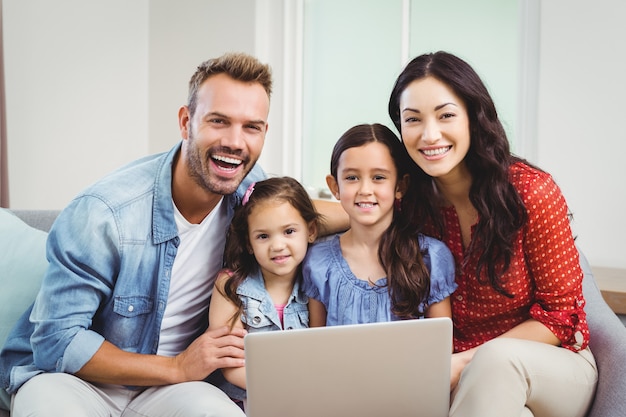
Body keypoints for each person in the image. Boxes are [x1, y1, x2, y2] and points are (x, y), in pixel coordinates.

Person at [0, 52, 337, 417]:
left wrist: (391, 208)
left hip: (175, 390)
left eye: (250, 127)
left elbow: (311, 215)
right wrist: (178, 367)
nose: (235, 142)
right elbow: (57, 342)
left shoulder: (250, 194)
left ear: (264, 133)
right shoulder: (104, 213)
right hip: (71, 381)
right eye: (219, 121)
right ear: (186, 121)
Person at [387, 51, 598, 417]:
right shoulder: (411, 203)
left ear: (473, 116)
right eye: (413, 120)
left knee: (496, 361)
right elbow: (347, 207)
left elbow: (560, 317)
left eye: (446, 115)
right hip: (468, 386)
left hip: (553, 367)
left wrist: (463, 362)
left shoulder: (531, 192)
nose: (429, 134)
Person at [303, 123, 457, 326]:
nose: (365, 189)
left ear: (400, 186)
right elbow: (316, 347)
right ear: (334, 186)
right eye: (352, 177)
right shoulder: (318, 261)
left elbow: (440, 349)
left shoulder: (430, 258)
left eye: (378, 177)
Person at [208, 176, 321, 406]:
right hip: (242, 401)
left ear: (310, 230)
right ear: (249, 243)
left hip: (301, 399)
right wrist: (284, 390)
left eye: (289, 231)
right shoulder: (230, 286)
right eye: (263, 236)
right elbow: (230, 364)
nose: (277, 245)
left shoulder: (314, 284)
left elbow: (319, 349)